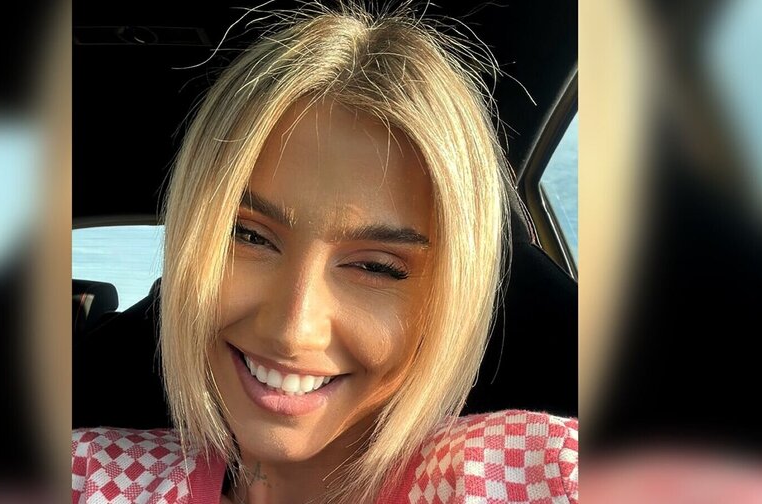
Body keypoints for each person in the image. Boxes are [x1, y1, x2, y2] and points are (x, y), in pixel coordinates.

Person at [72, 3, 578, 503]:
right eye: (249, 236)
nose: (292, 331)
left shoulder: (526, 474)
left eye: (376, 267)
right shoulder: (89, 473)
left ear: (451, 303)